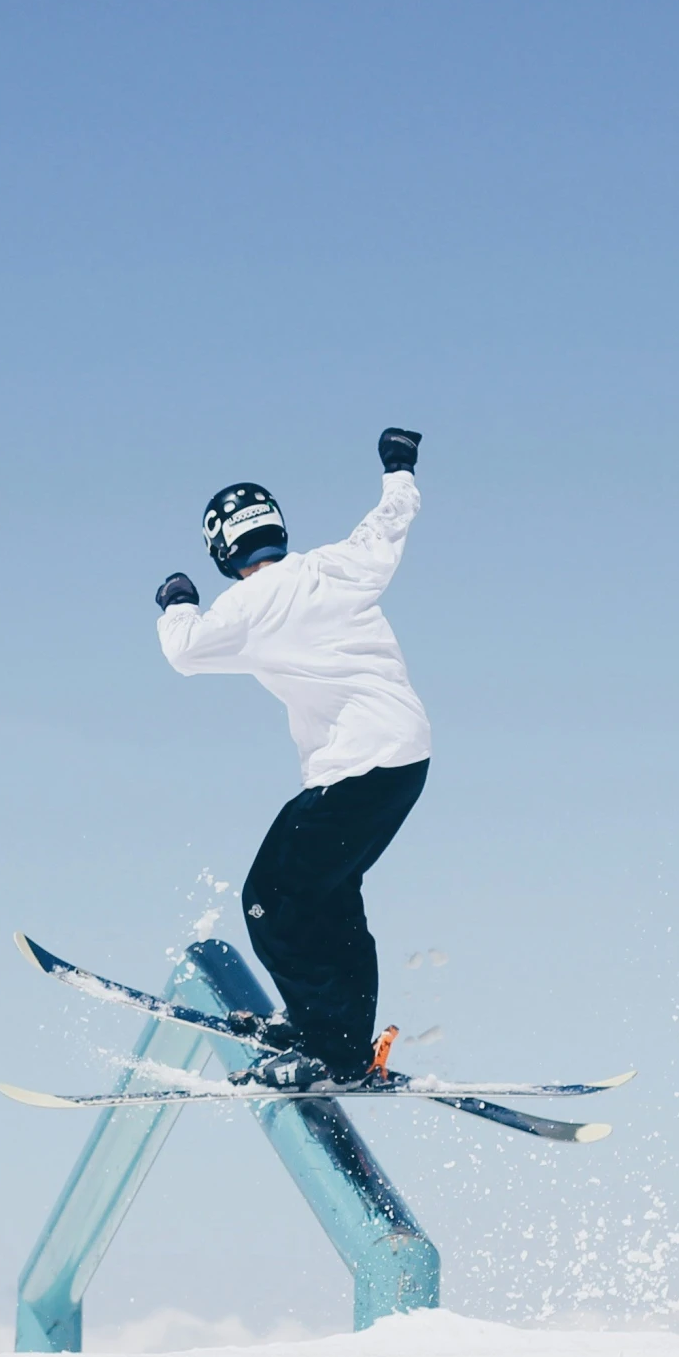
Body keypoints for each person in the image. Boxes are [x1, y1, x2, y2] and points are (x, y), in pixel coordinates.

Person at [154, 428, 431, 1090]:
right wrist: (398, 467)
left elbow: (184, 650)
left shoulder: (246, 605)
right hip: (407, 758)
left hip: (357, 768)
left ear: (223, 548)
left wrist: (175, 599)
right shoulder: (337, 565)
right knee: (330, 897)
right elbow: (389, 521)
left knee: (270, 901)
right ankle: (335, 1032)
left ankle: (326, 1049)